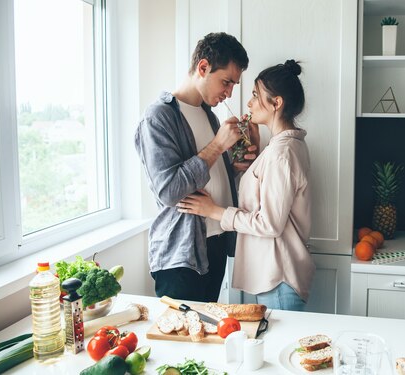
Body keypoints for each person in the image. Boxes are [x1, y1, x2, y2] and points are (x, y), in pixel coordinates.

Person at [177, 60, 315, 311]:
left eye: (255, 95)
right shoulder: (283, 147)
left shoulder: (281, 153)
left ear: (277, 103)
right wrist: (256, 148)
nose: (249, 103)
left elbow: (269, 223)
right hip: (276, 275)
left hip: (279, 278)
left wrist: (213, 211)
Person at [134, 32, 258, 302]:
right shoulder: (158, 116)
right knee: (182, 343)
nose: (229, 92)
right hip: (181, 257)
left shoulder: (209, 115)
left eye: (234, 85)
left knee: (210, 339)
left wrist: (233, 168)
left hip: (214, 244)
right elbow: (168, 191)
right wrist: (217, 145)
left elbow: (208, 174)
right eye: (226, 82)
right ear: (203, 68)